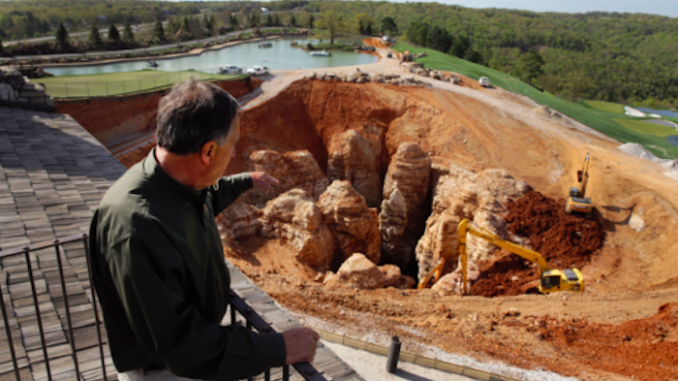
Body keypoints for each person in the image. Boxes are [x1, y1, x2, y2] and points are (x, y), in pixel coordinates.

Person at [88, 77, 319, 381]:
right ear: (208, 152)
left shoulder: (172, 182)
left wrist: (244, 180)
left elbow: (203, 199)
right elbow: (181, 346)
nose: (235, 154)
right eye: (233, 145)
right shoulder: (136, 229)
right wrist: (279, 347)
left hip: (189, 358)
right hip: (168, 371)